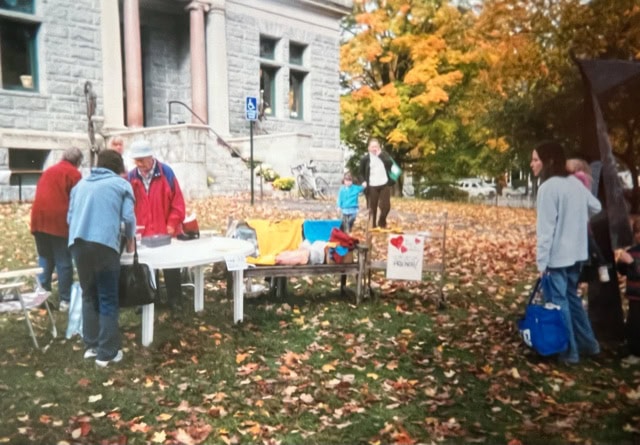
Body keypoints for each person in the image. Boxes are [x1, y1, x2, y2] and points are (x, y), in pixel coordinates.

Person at [531, 141, 602, 364]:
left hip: (557, 257)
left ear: (549, 161)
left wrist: (541, 264)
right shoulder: (574, 183)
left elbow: (545, 231)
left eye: (535, 159)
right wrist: (577, 218)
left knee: (559, 301)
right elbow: (596, 207)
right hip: (578, 253)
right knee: (572, 299)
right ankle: (590, 345)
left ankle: (569, 352)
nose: (532, 164)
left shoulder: (547, 188)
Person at [67, 150, 136, 367]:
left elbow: (70, 217)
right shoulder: (121, 185)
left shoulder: (80, 185)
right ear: (118, 167)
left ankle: (92, 345)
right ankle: (107, 353)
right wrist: (130, 238)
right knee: (107, 297)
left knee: (89, 294)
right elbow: (128, 218)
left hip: (78, 243)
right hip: (104, 245)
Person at [127, 140, 186, 311]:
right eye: (136, 161)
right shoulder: (131, 177)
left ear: (150, 157)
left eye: (142, 160)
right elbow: (128, 205)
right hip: (142, 231)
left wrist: (172, 223)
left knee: (171, 265)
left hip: (164, 229)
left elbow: (178, 202)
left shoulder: (166, 172)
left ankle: (175, 299)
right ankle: (151, 298)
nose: (139, 164)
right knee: (145, 266)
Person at [30, 147, 83, 312]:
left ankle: (41, 295)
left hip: (39, 219)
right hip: (58, 221)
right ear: (78, 162)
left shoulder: (49, 171)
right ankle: (65, 300)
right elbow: (77, 200)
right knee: (63, 261)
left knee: (45, 257)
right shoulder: (74, 174)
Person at [566, 158, 609, 282]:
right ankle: (595, 266)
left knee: (589, 243)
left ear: (577, 167)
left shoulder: (578, 177)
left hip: (579, 221)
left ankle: (601, 264)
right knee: (588, 244)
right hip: (582, 220)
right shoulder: (583, 178)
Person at [615, 219, 640, 357]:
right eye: (637, 232)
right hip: (634, 296)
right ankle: (633, 351)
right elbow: (625, 271)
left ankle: (636, 353)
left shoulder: (633, 256)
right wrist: (622, 263)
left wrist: (631, 263)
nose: (639, 235)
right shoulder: (633, 251)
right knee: (633, 324)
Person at [359, 137, 394, 229]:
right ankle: (372, 226)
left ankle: (382, 222)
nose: (374, 148)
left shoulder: (384, 155)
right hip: (372, 185)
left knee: (386, 207)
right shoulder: (365, 159)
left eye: (376, 146)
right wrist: (363, 181)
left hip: (384, 183)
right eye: (372, 147)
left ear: (379, 147)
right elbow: (360, 172)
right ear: (369, 148)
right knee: (372, 208)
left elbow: (390, 164)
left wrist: (380, 155)